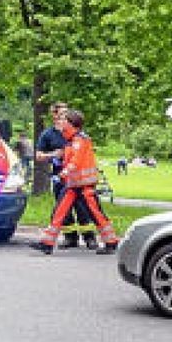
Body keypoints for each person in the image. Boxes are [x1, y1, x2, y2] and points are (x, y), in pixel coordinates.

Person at [31, 109, 119, 255]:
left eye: (64, 120)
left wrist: (63, 174)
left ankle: (111, 242)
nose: (61, 122)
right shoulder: (70, 140)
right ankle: (47, 243)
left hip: (84, 186)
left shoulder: (80, 140)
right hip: (72, 185)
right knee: (59, 212)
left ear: (71, 123)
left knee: (96, 214)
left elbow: (75, 162)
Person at [35, 102, 97, 249]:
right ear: (54, 115)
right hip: (61, 177)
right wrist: (53, 154)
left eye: (67, 114)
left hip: (77, 178)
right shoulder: (48, 134)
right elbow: (39, 155)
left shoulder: (75, 134)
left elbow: (79, 156)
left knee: (83, 209)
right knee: (63, 211)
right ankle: (70, 238)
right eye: (62, 114)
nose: (66, 116)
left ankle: (90, 238)